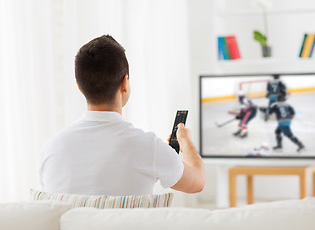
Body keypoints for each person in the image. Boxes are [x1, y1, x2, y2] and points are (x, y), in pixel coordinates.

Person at [39, 35, 205, 196]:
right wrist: (185, 141)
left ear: (80, 87)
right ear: (124, 83)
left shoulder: (52, 148)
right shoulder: (149, 147)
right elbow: (197, 182)